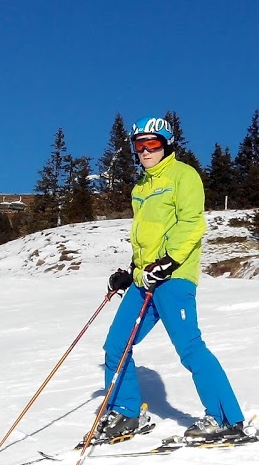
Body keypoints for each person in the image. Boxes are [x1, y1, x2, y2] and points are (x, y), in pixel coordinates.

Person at [94, 116, 247, 443]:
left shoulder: (183, 175)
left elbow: (191, 223)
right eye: (140, 145)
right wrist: (131, 271)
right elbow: (147, 238)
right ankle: (126, 413)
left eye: (152, 144)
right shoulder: (140, 188)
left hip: (174, 278)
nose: (145, 150)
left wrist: (169, 261)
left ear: (166, 145)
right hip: (145, 279)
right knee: (116, 345)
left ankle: (225, 419)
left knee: (189, 347)